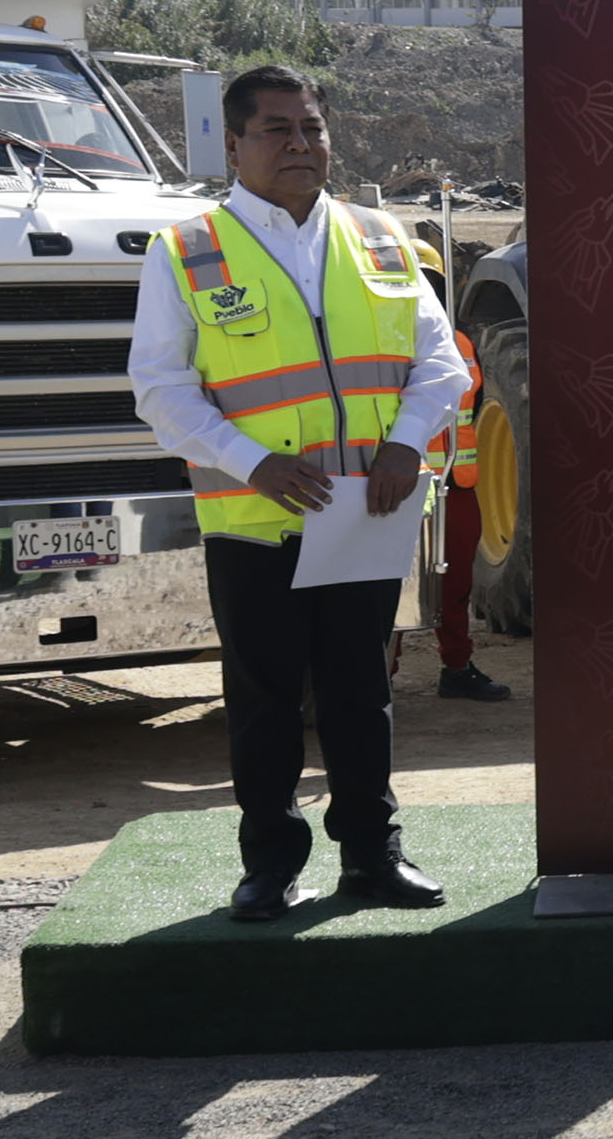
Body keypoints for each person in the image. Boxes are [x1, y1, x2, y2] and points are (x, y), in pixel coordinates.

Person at [127, 67, 473, 920]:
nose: (300, 145)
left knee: (361, 693)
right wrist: (253, 463)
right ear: (234, 147)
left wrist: (404, 442)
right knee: (264, 701)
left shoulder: (385, 240)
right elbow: (160, 388)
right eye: (277, 130)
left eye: (312, 128)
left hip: (364, 517)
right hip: (255, 522)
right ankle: (271, 866)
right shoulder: (186, 252)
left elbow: (443, 364)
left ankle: (371, 857)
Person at [412, 240, 507, 702]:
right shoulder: (380, 343)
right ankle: (379, 674)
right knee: (397, 585)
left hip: (457, 484)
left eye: (431, 284)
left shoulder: (462, 342)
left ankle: (457, 666)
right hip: (404, 485)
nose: (424, 293)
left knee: (456, 584)